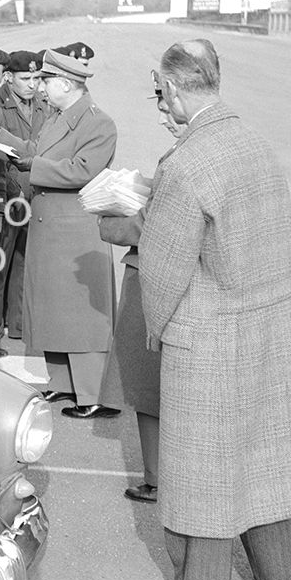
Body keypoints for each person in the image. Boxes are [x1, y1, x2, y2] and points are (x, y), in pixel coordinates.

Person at [139, 38, 291, 580]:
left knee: (202, 483)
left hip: (208, 341)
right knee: (261, 468)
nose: (161, 107)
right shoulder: (256, 146)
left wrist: (155, 331)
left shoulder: (185, 164)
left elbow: (164, 273)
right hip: (266, 329)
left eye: (161, 95)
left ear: (176, 90)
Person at [0, 48, 117, 417]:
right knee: (54, 313)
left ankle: (91, 394)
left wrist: (34, 165)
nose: (41, 88)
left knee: (82, 319)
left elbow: (82, 170)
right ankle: (63, 384)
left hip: (75, 233)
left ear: (64, 83)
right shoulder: (60, 117)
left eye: (45, 81)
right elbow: (34, 151)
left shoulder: (97, 123)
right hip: (52, 229)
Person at [97, 73, 182, 504]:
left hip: (154, 281)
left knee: (148, 388)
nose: (163, 116)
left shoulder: (184, 158)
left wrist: (107, 220)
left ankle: (158, 478)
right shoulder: (187, 151)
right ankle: (162, 476)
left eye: (166, 107)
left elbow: (154, 225)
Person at [0, 50, 50, 346]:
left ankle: (18, 324)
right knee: (0, 261)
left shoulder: (42, 104)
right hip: (11, 193)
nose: (33, 85)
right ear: (9, 78)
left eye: (37, 78)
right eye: (26, 79)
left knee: (25, 260)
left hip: (35, 193)